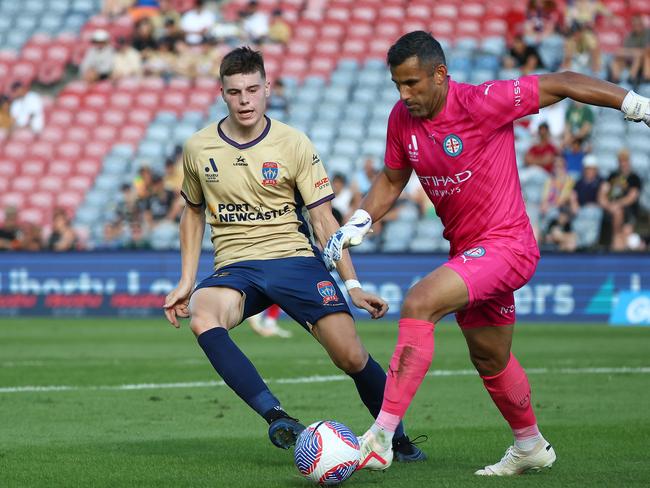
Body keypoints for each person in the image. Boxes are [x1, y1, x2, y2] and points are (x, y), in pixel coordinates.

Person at [324, 30, 650, 475]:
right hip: (468, 253)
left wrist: (634, 104)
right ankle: (530, 445)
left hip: (507, 245)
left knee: (420, 301)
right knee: (490, 356)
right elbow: (393, 178)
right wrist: (361, 220)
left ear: (440, 74)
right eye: (397, 85)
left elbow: (564, 80)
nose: (404, 94)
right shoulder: (401, 118)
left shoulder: (482, 101)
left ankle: (380, 436)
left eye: (413, 83)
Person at [162, 47, 425, 461]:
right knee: (203, 313)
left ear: (267, 88)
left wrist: (352, 284)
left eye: (252, 89)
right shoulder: (198, 148)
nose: (245, 100)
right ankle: (277, 417)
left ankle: (396, 438)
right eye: (235, 92)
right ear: (222, 94)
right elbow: (192, 214)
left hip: (294, 259)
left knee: (351, 355)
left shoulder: (294, 143)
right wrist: (185, 280)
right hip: (236, 267)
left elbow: (323, 221)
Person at [598, 148, 643, 251]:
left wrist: (616, 204)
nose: (623, 163)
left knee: (626, 238)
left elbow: (631, 197)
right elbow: (603, 192)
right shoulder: (612, 176)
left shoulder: (634, 178)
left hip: (629, 212)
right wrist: (607, 204)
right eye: (621, 160)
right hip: (612, 211)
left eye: (625, 160)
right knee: (618, 241)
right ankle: (616, 236)